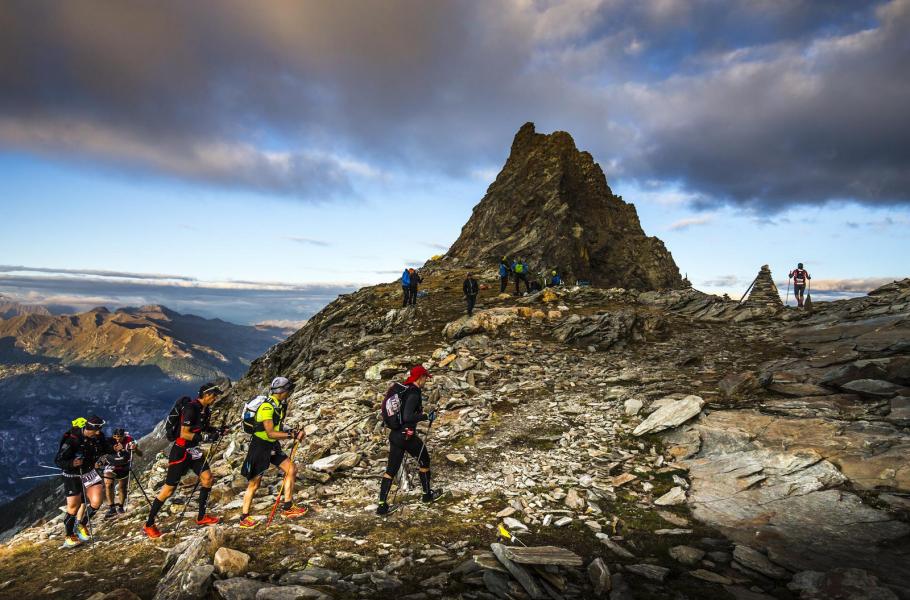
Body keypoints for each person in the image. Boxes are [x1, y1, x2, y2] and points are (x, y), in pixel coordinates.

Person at [143, 383, 226, 538]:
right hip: (180, 452)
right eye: (214, 395)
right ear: (206, 395)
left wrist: (217, 430)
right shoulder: (190, 408)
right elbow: (184, 434)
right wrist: (206, 437)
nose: (216, 398)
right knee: (168, 490)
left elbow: (202, 428)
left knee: (207, 479)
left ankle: (201, 517)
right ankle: (149, 524)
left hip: (193, 451)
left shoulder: (205, 409)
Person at [238, 377, 308, 528]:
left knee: (291, 469)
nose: (290, 392)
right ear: (282, 391)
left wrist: (290, 430)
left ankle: (288, 507)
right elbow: (270, 432)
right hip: (260, 446)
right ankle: (244, 517)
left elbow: (277, 426)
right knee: (254, 483)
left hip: (272, 445)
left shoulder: (279, 405)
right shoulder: (266, 408)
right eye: (288, 389)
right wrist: (292, 436)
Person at [376, 365, 443, 515]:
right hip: (407, 436)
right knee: (424, 459)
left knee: (391, 470)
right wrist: (426, 416)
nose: (426, 380)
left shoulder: (403, 390)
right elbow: (407, 417)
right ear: (420, 378)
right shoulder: (413, 393)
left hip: (395, 435)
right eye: (425, 377)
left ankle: (382, 506)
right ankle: (427, 495)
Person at [55, 415, 114, 549]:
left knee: (97, 501)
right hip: (72, 475)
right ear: (89, 428)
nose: (99, 432)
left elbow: (105, 447)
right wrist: (72, 463)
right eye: (97, 430)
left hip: (89, 472)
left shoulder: (98, 437)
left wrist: (115, 448)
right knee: (73, 507)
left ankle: (81, 524)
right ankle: (69, 535)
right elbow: (58, 460)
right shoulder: (72, 441)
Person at [103, 428, 142, 517]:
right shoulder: (109, 441)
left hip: (124, 466)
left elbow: (140, 454)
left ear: (124, 436)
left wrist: (135, 449)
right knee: (108, 484)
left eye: (119, 437)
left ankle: (120, 506)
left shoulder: (130, 441)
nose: (117, 439)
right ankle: (112, 508)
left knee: (122, 487)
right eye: (115, 437)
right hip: (111, 465)